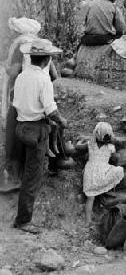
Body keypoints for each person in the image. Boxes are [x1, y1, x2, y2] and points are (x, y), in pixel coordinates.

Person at [12, 39, 67, 234]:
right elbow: (50, 109)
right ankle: (23, 220)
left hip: (21, 126)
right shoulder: (43, 79)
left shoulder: (22, 76)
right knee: (32, 176)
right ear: (47, 60)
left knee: (25, 170)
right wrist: (62, 121)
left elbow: (16, 101)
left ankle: (20, 212)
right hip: (36, 129)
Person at [1, 18, 58, 192]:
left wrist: (5, 67)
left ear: (18, 32)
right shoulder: (41, 47)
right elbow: (54, 75)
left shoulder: (20, 47)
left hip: (21, 96)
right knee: (47, 130)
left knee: (14, 134)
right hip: (40, 99)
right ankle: (48, 167)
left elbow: (14, 72)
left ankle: (14, 177)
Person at [83, 122, 124, 223]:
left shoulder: (90, 145)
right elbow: (115, 153)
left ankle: (88, 221)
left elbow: (78, 147)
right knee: (119, 170)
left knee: (90, 198)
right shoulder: (111, 147)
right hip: (102, 175)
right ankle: (104, 195)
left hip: (90, 175)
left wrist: (82, 140)